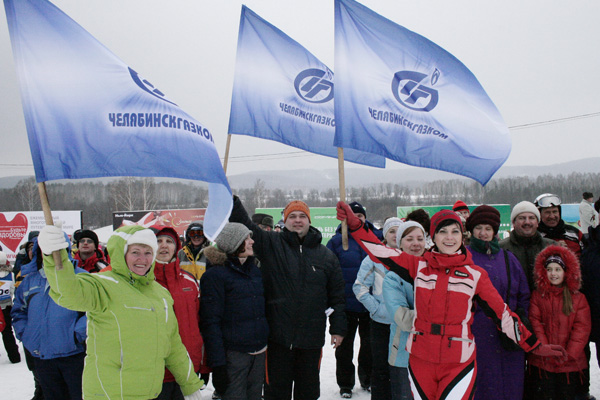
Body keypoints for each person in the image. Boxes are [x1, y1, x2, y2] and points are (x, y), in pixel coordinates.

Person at [336, 202, 566, 400]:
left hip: (458, 362)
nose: (449, 237)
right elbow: (379, 251)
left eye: (455, 231)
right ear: (433, 236)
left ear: (462, 236)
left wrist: (534, 346)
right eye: (443, 231)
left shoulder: (475, 275)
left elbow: (503, 316)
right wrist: (356, 225)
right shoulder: (418, 266)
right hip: (420, 359)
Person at [36, 224, 204, 400]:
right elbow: (68, 291)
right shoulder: (102, 285)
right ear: (120, 253)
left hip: (150, 393)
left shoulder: (160, 294)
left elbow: (173, 345)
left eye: (148, 253)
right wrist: (53, 255)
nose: (142, 259)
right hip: (109, 395)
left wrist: (189, 384)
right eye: (135, 252)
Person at [229, 196, 347, 400]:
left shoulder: (326, 256)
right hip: (278, 339)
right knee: (276, 393)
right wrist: (232, 201)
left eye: (302, 216)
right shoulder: (271, 244)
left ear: (309, 220)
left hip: (311, 340)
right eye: (292, 216)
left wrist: (338, 328)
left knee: (308, 393)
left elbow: (336, 296)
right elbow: (247, 225)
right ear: (285, 220)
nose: (297, 220)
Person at [465, 205, 530, 400]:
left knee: (510, 386)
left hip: (508, 337)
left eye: (488, 228)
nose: (483, 233)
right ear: (471, 230)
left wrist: (519, 321)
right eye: (478, 228)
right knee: (481, 387)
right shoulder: (464, 258)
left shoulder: (509, 259)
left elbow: (523, 295)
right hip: (476, 336)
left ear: (494, 231)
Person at [12, 236, 87, 400]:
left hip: (74, 355)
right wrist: (27, 335)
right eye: (46, 250)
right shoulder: (29, 281)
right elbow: (19, 311)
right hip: (43, 356)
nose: (52, 254)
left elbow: (92, 312)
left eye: (57, 249)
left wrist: (77, 335)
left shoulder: (81, 277)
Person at [200, 223, 269, 400]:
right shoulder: (215, 276)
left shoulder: (254, 270)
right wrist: (218, 364)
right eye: (247, 238)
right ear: (234, 243)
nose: (252, 241)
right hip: (233, 356)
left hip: (259, 352)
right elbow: (210, 322)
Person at [327, 201, 380, 398]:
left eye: (360, 216)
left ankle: (368, 379)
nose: (356, 219)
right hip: (345, 305)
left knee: (369, 347)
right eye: (353, 215)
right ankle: (345, 384)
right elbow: (329, 271)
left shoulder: (375, 238)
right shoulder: (336, 241)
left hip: (370, 305)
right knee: (344, 348)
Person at [528, 245, 591, 400]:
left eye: (557, 269)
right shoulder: (538, 295)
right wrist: (545, 349)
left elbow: (581, 329)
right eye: (549, 269)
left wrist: (569, 354)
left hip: (570, 364)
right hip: (542, 362)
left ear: (566, 272)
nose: (553, 274)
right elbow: (535, 322)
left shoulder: (578, 298)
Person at [152, 226, 208, 400]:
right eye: (158, 241)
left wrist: (202, 364)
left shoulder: (189, 281)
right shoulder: (142, 283)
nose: (164, 246)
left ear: (176, 247)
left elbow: (200, 324)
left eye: (169, 241)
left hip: (187, 368)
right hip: (155, 371)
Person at [353, 217, 403, 400]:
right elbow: (359, 287)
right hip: (381, 324)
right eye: (391, 231)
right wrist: (377, 309)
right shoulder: (373, 258)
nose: (395, 235)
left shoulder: (412, 257)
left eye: (399, 231)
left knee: (402, 369)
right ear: (385, 235)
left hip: (406, 325)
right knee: (381, 368)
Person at [382, 220, 427, 400]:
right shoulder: (393, 277)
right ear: (400, 243)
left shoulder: (435, 272)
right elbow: (403, 318)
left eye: (420, 239)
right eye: (409, 239)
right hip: (404, 354)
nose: (416, 243)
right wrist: (436, 320)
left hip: (433, 354)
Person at [499, 201, 555, 292]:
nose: (527, 222)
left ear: (537, 222)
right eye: (522, 218)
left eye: (531, 218)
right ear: (513, 222)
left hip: (544, 299)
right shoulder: (501, 248)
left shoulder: (551, 246)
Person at [534, 193, 584, 258]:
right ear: (539, 215)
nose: (552, 216)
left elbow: (588, 257)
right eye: (547, 212)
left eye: (555, 212)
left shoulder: (574, 234)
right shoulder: (534, 236)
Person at [0, 251, 21, 363]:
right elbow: (12, 291)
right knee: (8, 332)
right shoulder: (10, 274)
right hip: (7, 307)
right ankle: (14, 357)